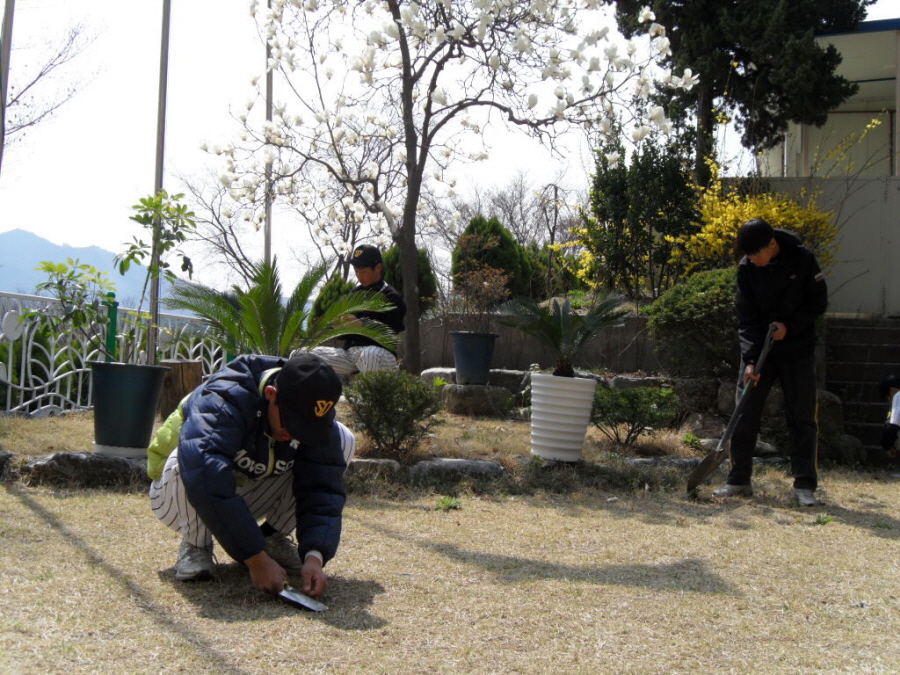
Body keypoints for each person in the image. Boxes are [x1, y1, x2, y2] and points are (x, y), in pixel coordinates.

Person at [147, 352, 355, 598]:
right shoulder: (225, 396)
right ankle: (196, 545)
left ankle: (272, 539)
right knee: (193, 458)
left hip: (246, 494)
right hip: (176, 498)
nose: (294, 434)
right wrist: (255, 559)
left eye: (307, 427)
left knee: (342, 439)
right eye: (292, 423)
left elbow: (322, 486)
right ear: (271, 395)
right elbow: (204, 473)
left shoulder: (313, 411)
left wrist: (315, 556)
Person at [714, 217, 828, 506]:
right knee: (744, 411)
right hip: (761, 350)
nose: (752, 260)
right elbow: (747, 318)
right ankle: (738, 479)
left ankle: (805, 485)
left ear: (772, 245)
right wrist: (750, 360)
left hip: (798, 350)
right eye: (748, 255)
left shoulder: (803, 260)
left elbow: (818, 304)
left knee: (802, 417)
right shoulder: (746, 269)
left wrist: (790, 325)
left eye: (756, 254)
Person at [302, 243, 407, 374]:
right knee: (301, 355)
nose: (359, 275)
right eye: (356, 271)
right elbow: (344, 334)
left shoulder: (391, 297)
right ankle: (317, 394)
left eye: (363, 271)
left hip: (380, 355)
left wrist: (362, 325)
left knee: (369, 355)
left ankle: (370, 394)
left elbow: (391, 333)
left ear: (378, 268)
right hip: (350, 355)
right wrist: (335, 326)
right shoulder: (353, 294)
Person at [879, 373, 900, 463]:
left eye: (888, 398)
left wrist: (887, 446)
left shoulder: (898, 396)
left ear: (892, 390)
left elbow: (892, 427)